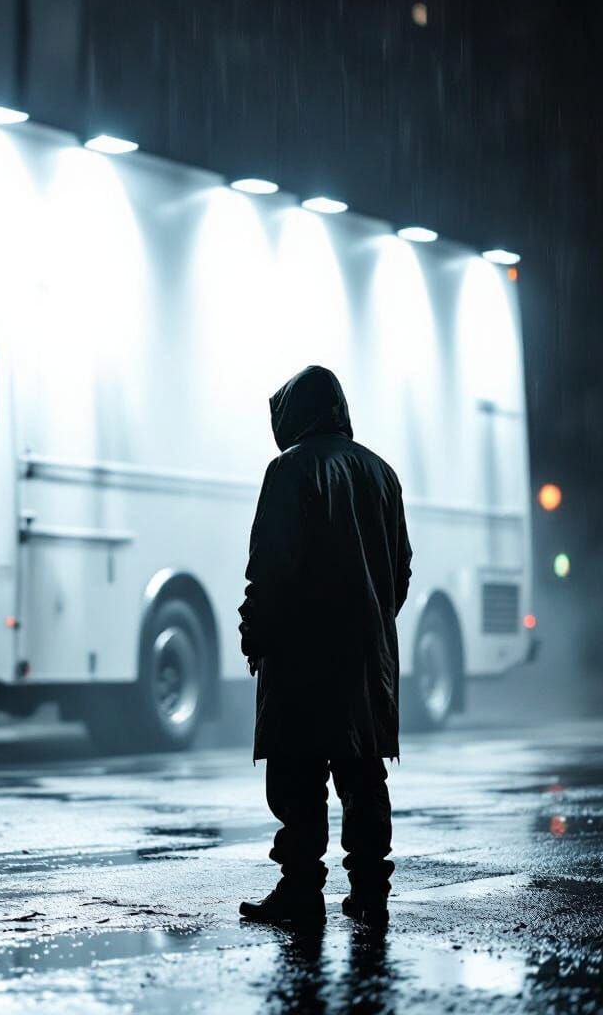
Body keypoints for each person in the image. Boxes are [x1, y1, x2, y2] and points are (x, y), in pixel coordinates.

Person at [237, 365, 412, 929]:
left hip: (302, 655)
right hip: (367, 657)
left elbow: (271, 566)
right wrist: (371, 621)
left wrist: (255, 633)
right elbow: (399, 571)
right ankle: (369, 891)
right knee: (363, 776)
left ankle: (300, 892)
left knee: (298, 776)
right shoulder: (382, 474)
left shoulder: (288, 470)